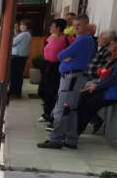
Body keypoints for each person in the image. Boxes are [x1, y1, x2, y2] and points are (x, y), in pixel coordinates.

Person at [37, 15, 96, 149]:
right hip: (73, 77)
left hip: (72, 78)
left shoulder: (83, 40)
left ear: (87, 25)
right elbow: (64, 54)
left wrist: (65, 56)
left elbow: (61, 55)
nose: (76, 28)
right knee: (71, 109)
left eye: (79, 25)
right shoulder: (82, 39)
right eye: (74, 25)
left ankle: (56, 139)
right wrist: (66, 56)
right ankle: (71, 139)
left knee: (62, 109)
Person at [77, 34, 117, 136]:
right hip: (104, 87)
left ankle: (77, 131)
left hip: (111, 92)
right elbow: (106, 75)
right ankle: (76, 129)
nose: (110, 46)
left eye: (112, 44)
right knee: (82, 97)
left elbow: (112, 80)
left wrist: (96, 86)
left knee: (88, 105)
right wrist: (95, 85)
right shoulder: (112, 58)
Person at [40, 19, 68, 124]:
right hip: (47, 65)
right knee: (42, 90)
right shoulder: (50, 37)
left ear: (59, 28)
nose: (50, 27)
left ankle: (49, 114)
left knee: (52, 91)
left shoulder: (66, 38)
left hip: (57, 66)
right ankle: (47, 110)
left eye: (53, 26)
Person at [9, 19, 31, 98]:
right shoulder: (25, 34)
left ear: (26, 26)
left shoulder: (24, 34)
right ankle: (15, 91)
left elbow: (13, 42)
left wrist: (14, 31)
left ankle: (14, 92)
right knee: (17, 75)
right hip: (21, 57)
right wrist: (15, 31)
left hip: (18, 57)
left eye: (22, 24)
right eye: (21, 24)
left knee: (15, 75)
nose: (21, 26)